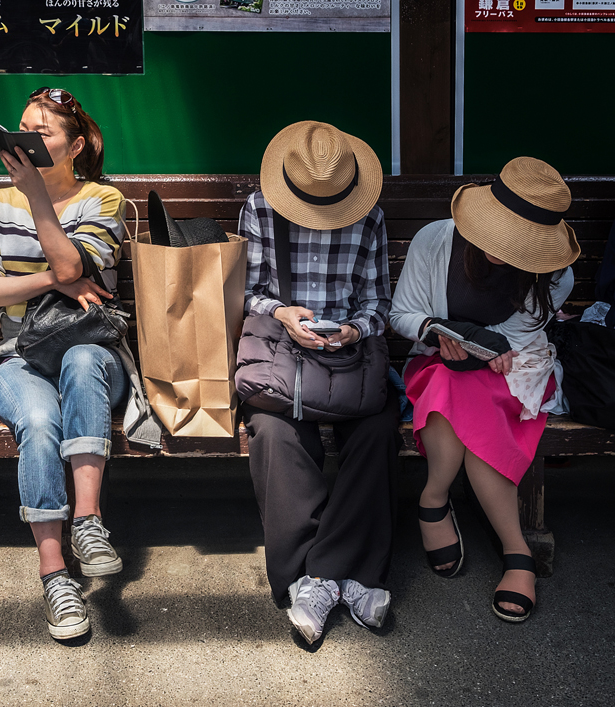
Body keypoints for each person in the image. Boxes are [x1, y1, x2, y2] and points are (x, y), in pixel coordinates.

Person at [0, 88, 130, 640]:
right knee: (38, 419)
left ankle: (89, 522)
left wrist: (37, 198)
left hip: (93, 350)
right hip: (17, 353)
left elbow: (75, 259)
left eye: (41, 133)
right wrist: (58, 280)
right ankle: (54, 572)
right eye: (20, 129)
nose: (23, 142)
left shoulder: (105, 200)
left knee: (79, 360)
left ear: (75, 146)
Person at [390, 156, 579, 623]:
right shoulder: (435, 239)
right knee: (451, 383)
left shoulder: (557, 274)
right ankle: (517, 552)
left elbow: (513, 343)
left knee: (466, 393)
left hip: (511, 371)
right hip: (437, 361)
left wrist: (478, 347)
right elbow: (402, 316)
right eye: (500, 234)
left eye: (519, 244)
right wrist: (439, 330)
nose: (503, 249)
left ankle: (434, 500)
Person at [238, 121, 399, 645]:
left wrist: (353, 328)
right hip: (283, 358)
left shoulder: (370, 217)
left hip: (348, 356)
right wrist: (284, 314)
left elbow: (378, 304)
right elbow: (244, 294)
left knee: (377, 428)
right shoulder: (261, 208)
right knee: (274, 432)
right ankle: (323, 577)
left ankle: (323, 576)